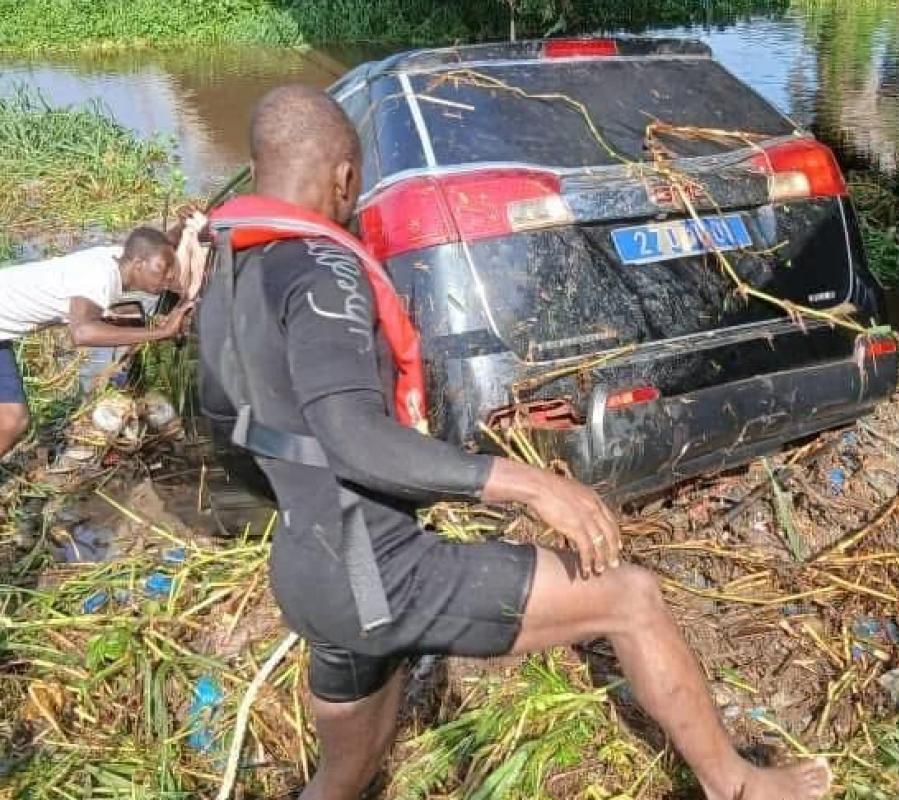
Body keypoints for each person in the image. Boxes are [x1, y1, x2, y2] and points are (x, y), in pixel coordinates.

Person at [197, 84, 831, 800]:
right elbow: (352, 437)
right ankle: (735, 786)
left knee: (344, 773)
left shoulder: (231, 269)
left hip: (308, 566)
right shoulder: (323, 269)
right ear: (345, 177)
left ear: (257, 169)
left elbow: (226, 430)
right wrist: (531, 483)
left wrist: (316, 514)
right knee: (630, 597)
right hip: (372, 571)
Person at [0, 229, 192, 461]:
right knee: (12, 419)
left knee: (12, 419)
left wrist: (182, 229)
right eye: (163, 271)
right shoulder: (100, 277)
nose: (170, 278)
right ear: (139, 264)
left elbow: (153, 245)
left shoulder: (119, 258)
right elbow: (81, 333)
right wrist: (161, 332)